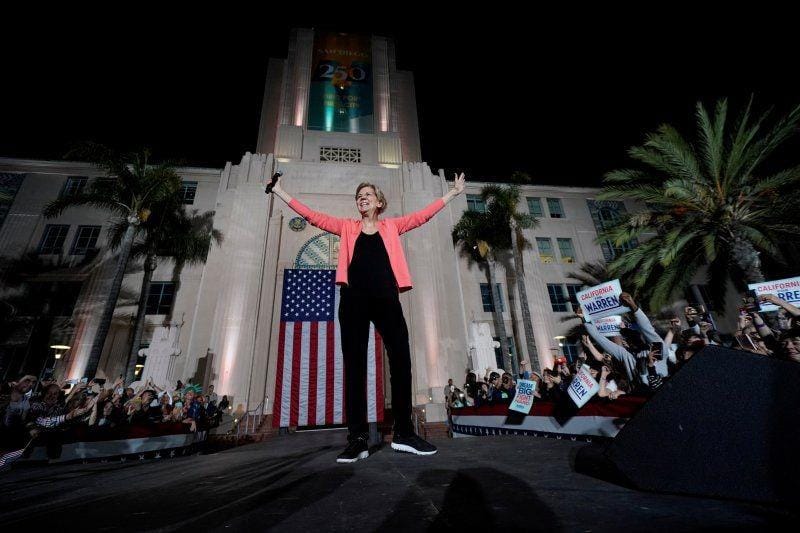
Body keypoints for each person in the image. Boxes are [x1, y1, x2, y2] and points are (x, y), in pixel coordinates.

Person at [271, 172, 466, 463]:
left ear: (379, 201)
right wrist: (279, 192)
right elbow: (312, 216)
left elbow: (423, 216)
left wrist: (452, 193)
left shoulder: (392, 226)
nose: (362, 198)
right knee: (355, 369)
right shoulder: (347, 227)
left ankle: (403, 434)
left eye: (367, 194)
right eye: (358, 196)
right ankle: (358, 439)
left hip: (387, 300)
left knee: (401, 361)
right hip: (353, 302)